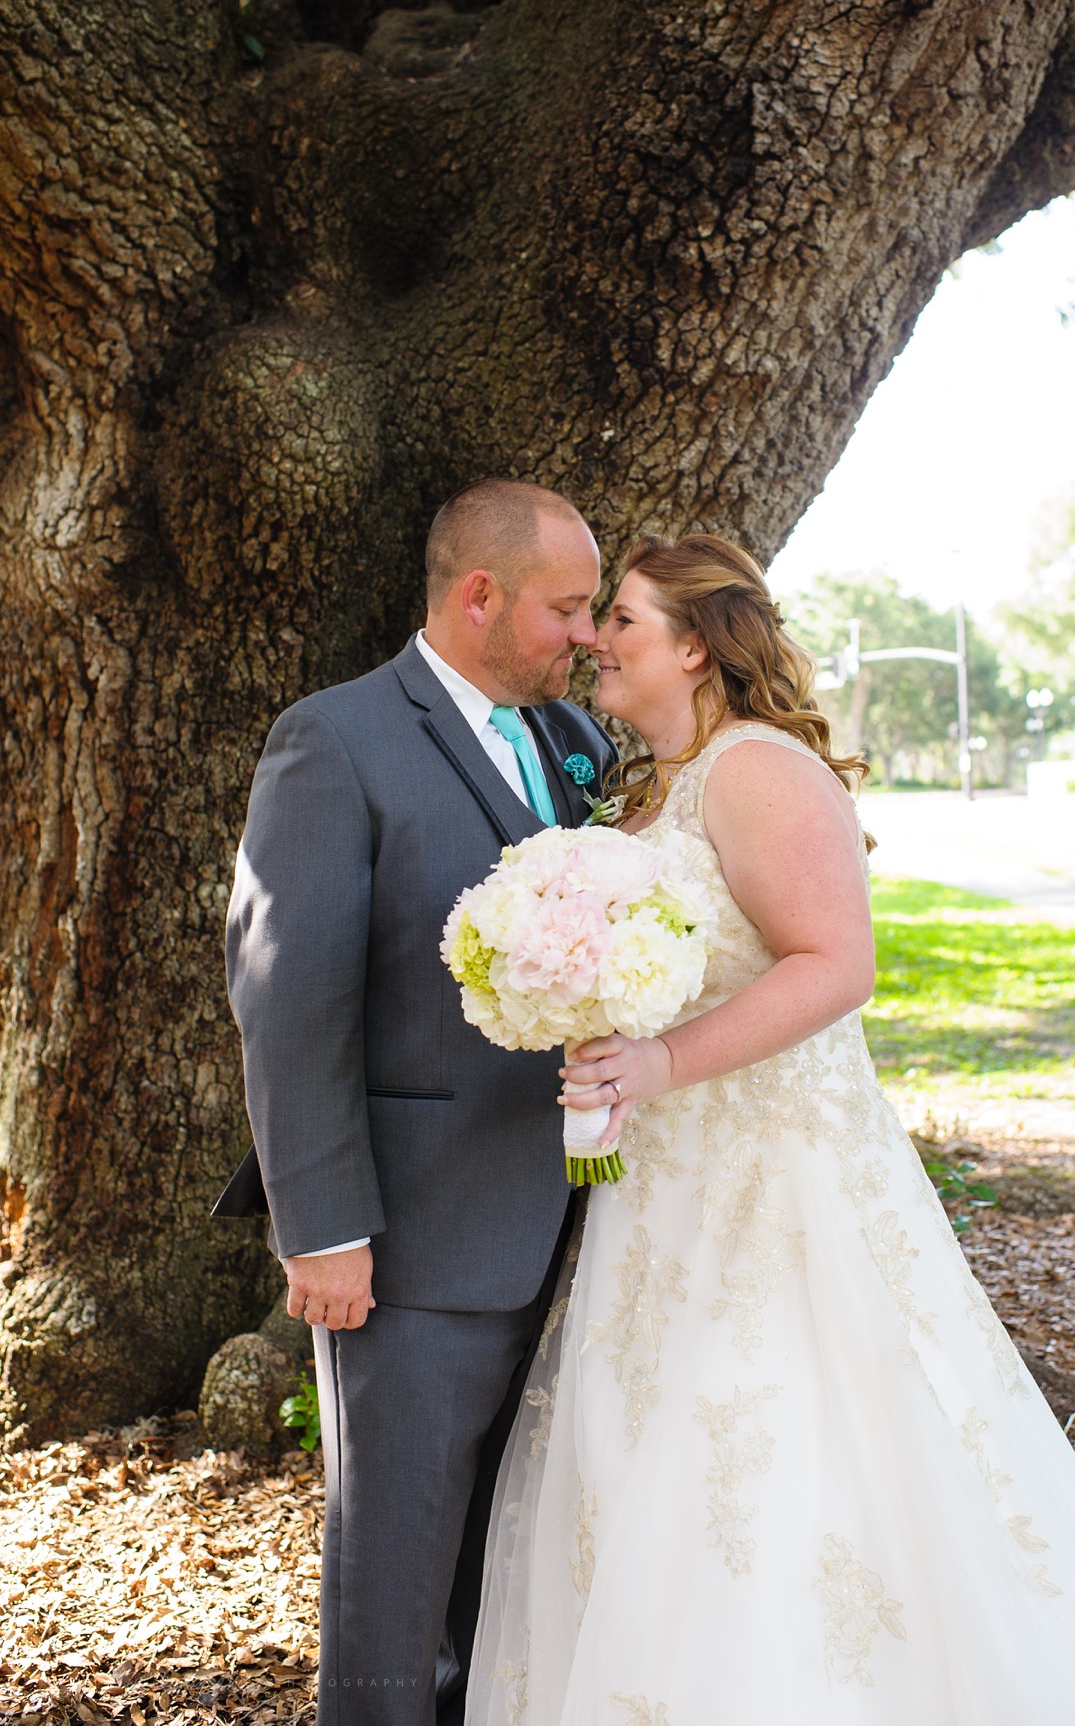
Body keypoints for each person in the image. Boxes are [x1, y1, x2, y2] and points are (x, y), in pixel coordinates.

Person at [466, 533, 1075, 1725]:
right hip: (660, 1184)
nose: (599, 636)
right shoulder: (643, 785)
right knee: (648, 1445)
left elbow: (836, 967)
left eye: (627, 621)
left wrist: (659, 1058)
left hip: (776, 1182)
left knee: (780, 1436)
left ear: (695, 645)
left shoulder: (757, 771)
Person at [214, 478, 616, 1726]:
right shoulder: (335, 738)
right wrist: (322, 1226)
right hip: (415, 1240)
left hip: (578, 1225)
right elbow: (288, 995)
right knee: (394, 1568)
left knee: (505, 1558)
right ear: (479, 595)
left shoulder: (572, 747)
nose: (588, 635)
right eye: (568, 607)